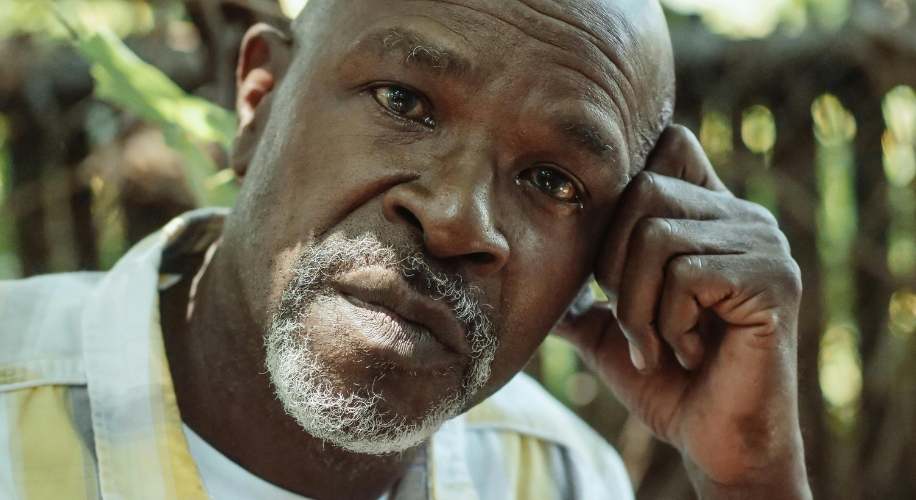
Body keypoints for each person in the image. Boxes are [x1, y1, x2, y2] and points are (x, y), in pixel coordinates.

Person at [0, 0, 812, 498]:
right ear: (258, 101)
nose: (457, 219)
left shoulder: (557, 479)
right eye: (403, 100)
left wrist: (751, 482)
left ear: (600, 260)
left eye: (553, 181)